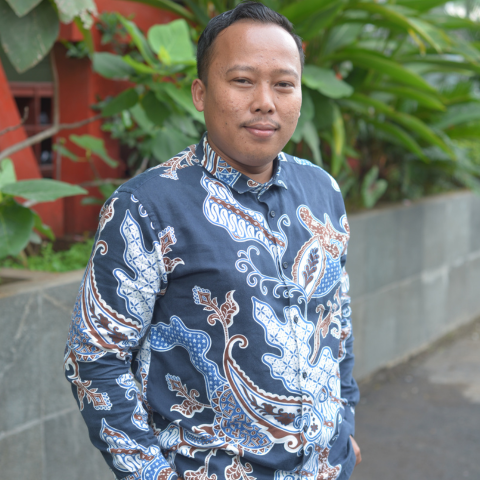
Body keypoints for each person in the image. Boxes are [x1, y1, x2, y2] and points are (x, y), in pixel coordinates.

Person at [64, 2, 361, 479]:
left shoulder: (322, 190)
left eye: (284, 84)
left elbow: (336, 319)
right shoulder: (146, 207)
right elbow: (94, 357)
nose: (265, 101)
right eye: (242, 80)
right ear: (200, 93)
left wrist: (343, 421)